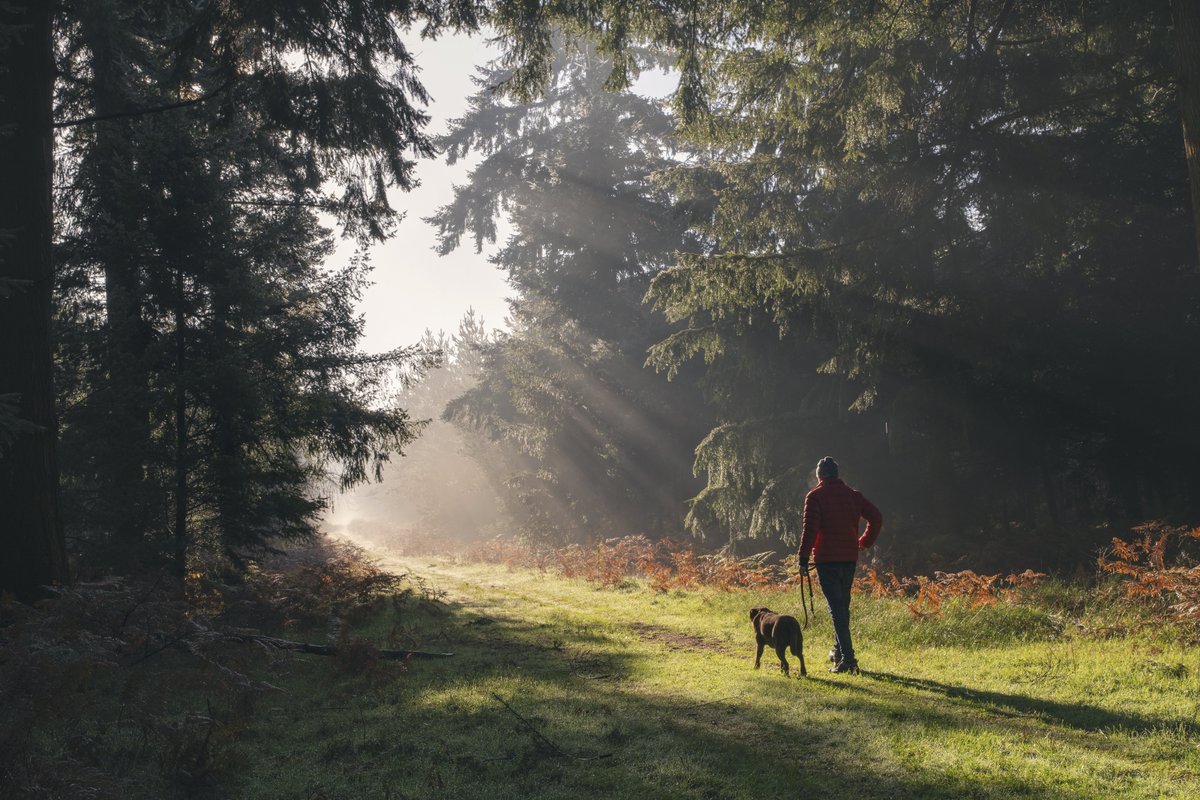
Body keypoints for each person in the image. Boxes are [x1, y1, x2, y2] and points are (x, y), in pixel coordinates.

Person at [797, 456, 882, 673]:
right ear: (836, 474)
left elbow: (810, 530)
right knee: (842, 606)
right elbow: (876, 518)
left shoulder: (815, 497)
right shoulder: (854, 496)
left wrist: (803, 559)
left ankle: (849, 661)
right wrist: (864, 542)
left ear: (819, 475)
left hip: (827, 560)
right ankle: (838, 652)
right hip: (849, 558)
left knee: (837, 609)